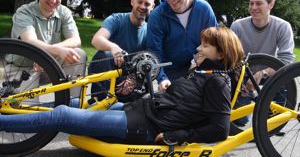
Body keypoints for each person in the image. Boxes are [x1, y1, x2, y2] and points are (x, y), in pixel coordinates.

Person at [0, 26, 244, 146]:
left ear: (221, 53)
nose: (199, 48)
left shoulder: (217, 81)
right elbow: (186, 104)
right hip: (141, 110)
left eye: (205, 46)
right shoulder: (203, 73)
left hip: (146, 126)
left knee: (62, 114)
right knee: (73, 103)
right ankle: (8, 109)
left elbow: (219, 129)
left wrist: (179, 135)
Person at [8, 0, 87, 98]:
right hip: (23, 68)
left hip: (48, 66)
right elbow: (30, 41)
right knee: (26, 112)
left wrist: (46, 55)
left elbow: (76, 40)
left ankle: (72, 104)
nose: (53, 0)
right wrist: (47, 54)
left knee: (78, 54)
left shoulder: (64, 12)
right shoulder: (24, 12)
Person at [230, 0, 295, 126]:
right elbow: (231, 57)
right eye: (251, 3)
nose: (253, 7)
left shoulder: (282, 26)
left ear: (271, 5)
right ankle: (248, 108)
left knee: (274, 123)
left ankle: (273, 117)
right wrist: (238, 79)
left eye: (259, 3)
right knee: (238, 121)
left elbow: (286, 60)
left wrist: (263, 73)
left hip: (269, 75)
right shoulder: (238, 26)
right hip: (245, 75)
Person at [146, 0, 218, 93]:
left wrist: (197, 61)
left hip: (200, 66)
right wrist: (162, 78)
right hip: (172, 71)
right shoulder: (157, 15)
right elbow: (155, 51)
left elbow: (214, 42)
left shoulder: (204, 9)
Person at [88, 0, 155, 100]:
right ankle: (98, 103)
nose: (143, 6)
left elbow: (152, 60)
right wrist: (114, 47)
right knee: (105, 55)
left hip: (132, 79)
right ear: (132, 1)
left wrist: (134, 79)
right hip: (108, 72)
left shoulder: (151, 31)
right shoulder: (116, 19)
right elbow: (96, 40)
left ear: (152, 7)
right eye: (140, 2)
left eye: (147, 4)